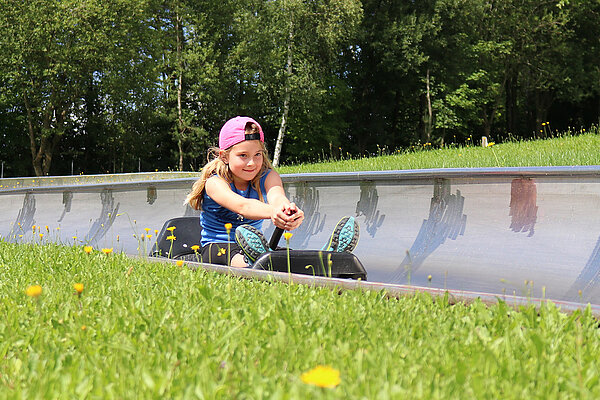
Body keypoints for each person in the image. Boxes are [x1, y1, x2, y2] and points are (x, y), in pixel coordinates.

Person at [185, 116, 359, 267]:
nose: (252, 163)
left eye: (258, 155)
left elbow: (277, 198)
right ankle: (256, 262)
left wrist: (287, 212)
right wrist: (273, 212)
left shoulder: (268, 176)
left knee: (282, 256)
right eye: (243, 156)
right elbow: (243, 206)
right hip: (218, 246)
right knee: (243, 260)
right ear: (224, 156)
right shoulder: (215, 183)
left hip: (256, 245)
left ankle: (327, 258)